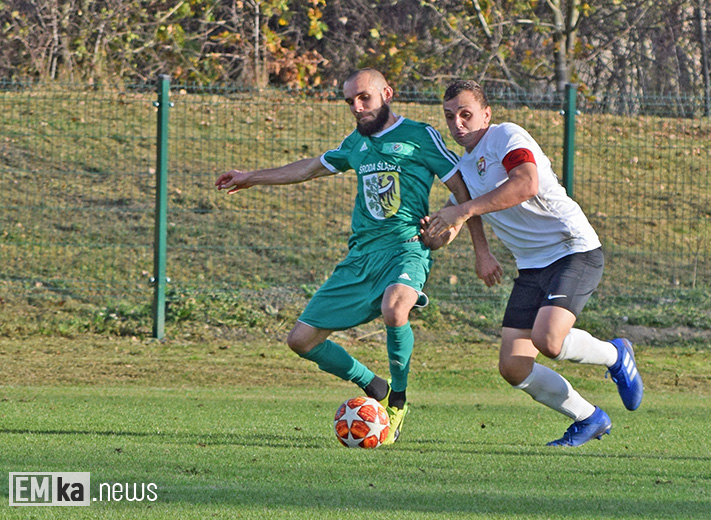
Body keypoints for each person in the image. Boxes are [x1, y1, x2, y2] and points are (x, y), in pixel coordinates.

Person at [215, 69, 496, 445]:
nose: (358, 107)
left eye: (364, 98)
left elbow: (462, 190)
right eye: (350, 101)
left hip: (405, 249)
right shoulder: (355, 144)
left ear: (387, 94)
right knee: (301, 340)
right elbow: (311, 167)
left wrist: (470, 242)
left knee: (395, 310)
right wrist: (251, 176)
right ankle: (373, 385)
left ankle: (397, 401)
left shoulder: (419, 136)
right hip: (360, 257)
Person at [423, 79, 643, 447]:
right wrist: (440, 236)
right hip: (532, 266)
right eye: (450, 116)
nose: (458, 124)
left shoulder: (506, 137)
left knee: (549, 339)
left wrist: (462, 209)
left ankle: (615, 354)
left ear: (486, 114)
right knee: (513, 366)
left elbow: (525, 184)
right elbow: (460, 216)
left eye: (466, 114)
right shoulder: (465, 164)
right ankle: (589, 418)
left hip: (572, 249)